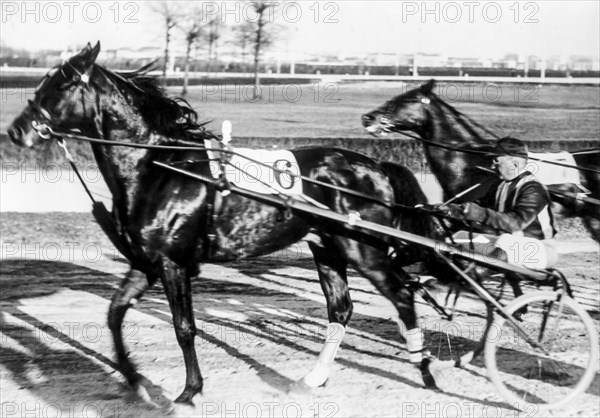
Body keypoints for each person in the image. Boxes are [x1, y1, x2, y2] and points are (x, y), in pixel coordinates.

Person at [436, 136, 558, 270]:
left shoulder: (533, 188)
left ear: (515, 164)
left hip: (540, 249)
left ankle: (472, 277)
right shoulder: (500, 185)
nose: (493, 165)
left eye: (496, 161)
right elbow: (479, 205)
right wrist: (451, 209)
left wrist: (477, 213)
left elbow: (516, 223)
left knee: (506, 241)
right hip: (508, 244)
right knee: (458, 238)